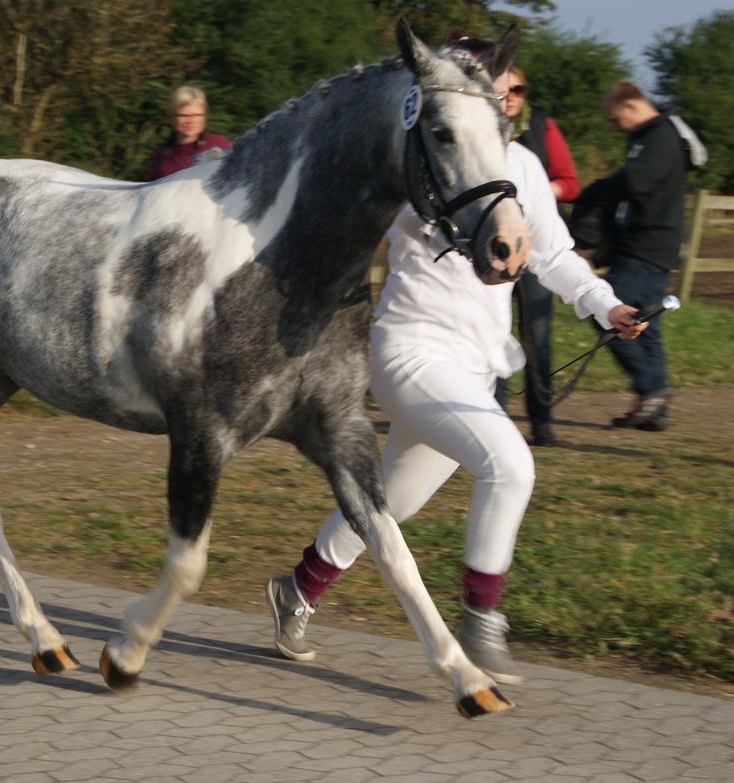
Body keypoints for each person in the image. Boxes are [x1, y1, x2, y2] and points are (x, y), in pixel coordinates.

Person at [264, 33, 649, 684]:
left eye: (516, 85)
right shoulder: (417, 156)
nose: (506, 92)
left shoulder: (521, 168)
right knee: (510, 464)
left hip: (475, 364)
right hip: (411, 348)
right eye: (493, 80)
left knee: (392, 498)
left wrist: (604, 305)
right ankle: (482, 620)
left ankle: (297, 588)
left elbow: (553, 255)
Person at [574, 81, 706, 431]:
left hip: (646, 247)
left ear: (631, 106)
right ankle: (654, 411)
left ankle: (653, 389)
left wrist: (594, 190)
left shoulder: (658, 138)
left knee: (608, 314)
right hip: (650, 246)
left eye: (616, 120)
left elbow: (635, 182)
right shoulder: (654, 137)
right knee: (646, 326)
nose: (616, 128)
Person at [494, 66, 581, 447]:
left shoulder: (542, 127)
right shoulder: (471, 124)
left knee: (537, 338)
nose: (512, 95)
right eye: (506, 88)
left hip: (536, 247)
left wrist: (537, 191)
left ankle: (541, 420)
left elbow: (570, 181)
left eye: (520, 89)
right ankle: (492, 419)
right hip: (489, 250)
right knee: (492, 333)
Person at [149, 86, 231, 180]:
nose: (191, 121)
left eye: (197, 115)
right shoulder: (162, 153)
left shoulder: (220, 144)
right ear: (171, 116)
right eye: (184, 115)